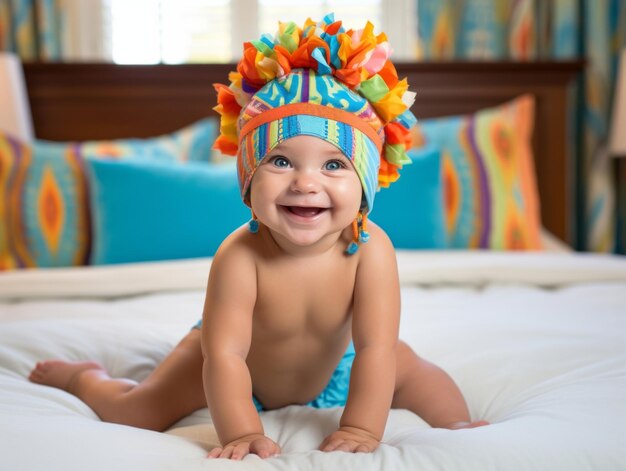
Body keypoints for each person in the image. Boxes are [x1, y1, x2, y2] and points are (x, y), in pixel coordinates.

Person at [28, 14, 487, 460]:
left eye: (334, 165)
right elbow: (225, 354)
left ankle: (462, 426)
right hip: (235, 365)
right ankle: (86, 379)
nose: (306, 183)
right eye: (281, 161)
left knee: (417, 372)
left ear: (364, 184)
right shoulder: (240, 253)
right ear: (248, 178)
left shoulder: (370, 249)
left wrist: (361, 427)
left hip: (339, 364)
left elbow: (375, 347)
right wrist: (244, 431)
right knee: (136, 412)